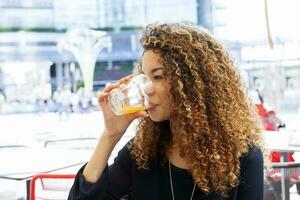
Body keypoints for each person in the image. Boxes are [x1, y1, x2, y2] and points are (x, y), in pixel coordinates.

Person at [68, 23, 264, 200]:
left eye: (158, 76)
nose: (146, 88)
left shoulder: (243, 155)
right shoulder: (142, 152)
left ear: (192, 84)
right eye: (144, 77)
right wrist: (110, 135)